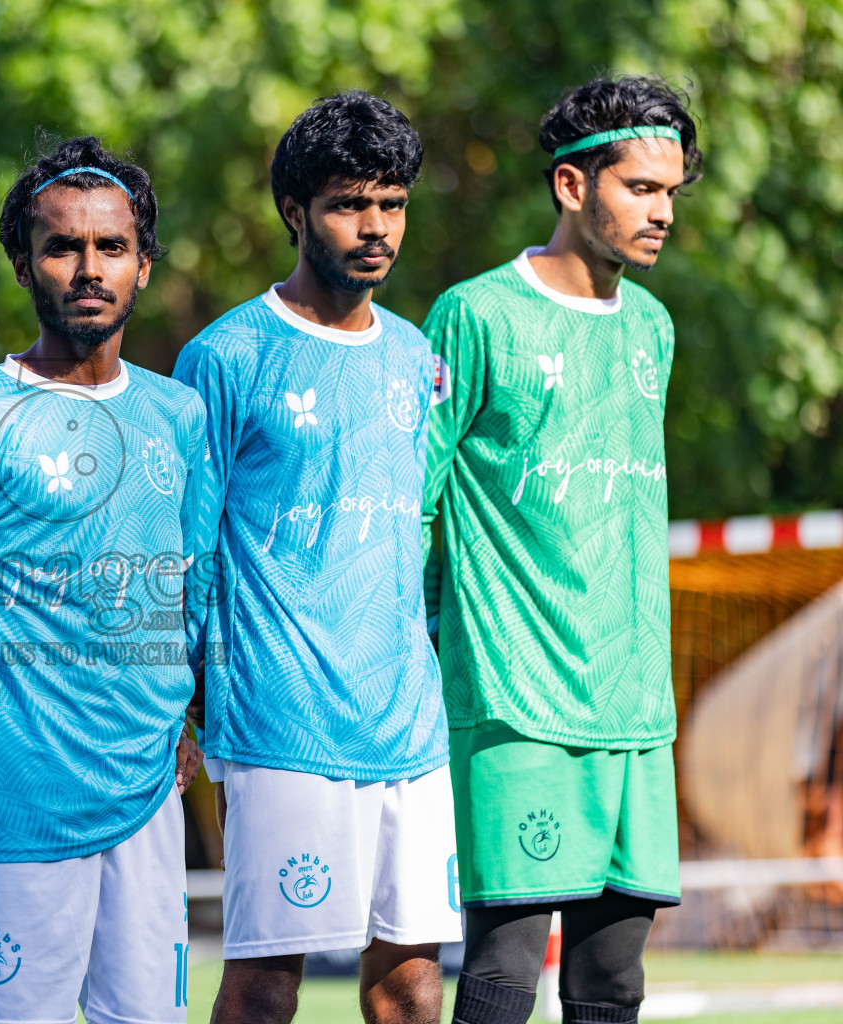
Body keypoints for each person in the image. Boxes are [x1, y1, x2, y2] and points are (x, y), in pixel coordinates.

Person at [0, 136, 206, 1024]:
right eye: (63, 247)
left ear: (144, 264)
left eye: (112, 247)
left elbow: (190, 593)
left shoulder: (180, 415)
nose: (89, 268)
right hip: (15, 815)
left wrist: (187, 717)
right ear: (25, 266)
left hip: (148, 805)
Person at [421, 76, 702, 1024]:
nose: (662, 213)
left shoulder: (654, 327)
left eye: (671, 192)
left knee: (614, 979)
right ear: (572, 186)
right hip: (516, 696)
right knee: (504, 971)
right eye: (641, 189)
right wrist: (433, 651)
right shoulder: (475, 315)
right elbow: (416, 501)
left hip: (637, 705)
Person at [174, 93, 459, 1024]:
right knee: (267, 985)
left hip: (407, 721)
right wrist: (183, 703)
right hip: (279, 717)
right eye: (349, 204)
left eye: (393, 204)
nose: (376, 228)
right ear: (295, 212)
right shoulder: (225, 357)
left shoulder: (416, 356)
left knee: (413, 984)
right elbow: (187, 549)